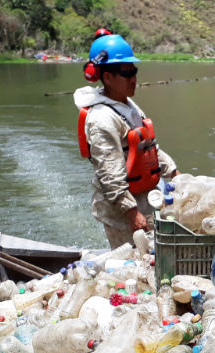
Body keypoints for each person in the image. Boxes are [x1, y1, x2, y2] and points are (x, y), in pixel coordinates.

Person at [74, 33, 179, 249]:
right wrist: (132, 213)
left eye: (134, 72)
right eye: (126, 73)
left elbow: (149, 146)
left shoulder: (128, 105)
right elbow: (109, 173)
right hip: (122, 210)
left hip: (145, 197)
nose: (134, 79)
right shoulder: (102, 118)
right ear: (107, 77)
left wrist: (177, 175)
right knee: (134, 264)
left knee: (154, 256)